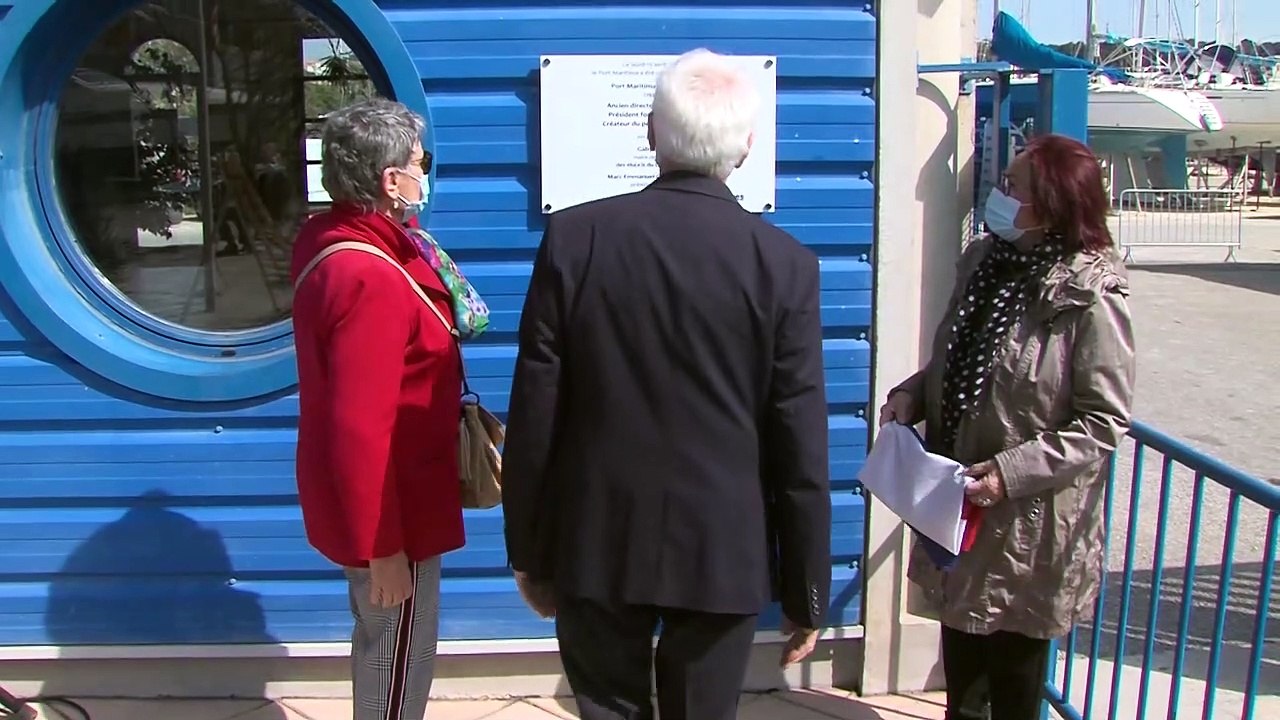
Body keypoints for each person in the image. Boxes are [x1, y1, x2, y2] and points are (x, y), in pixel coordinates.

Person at [502, 49, 833, 720]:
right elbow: (800, 444)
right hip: (722, 547)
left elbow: (537, 410)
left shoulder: (575, 238)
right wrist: (807, 593)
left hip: (596, 539)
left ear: (652, 133)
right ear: (744, 146)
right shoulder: (785, 266)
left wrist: (530, 554)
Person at [879, 134, 1136, 720]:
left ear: (1049, 205)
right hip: (961, 505)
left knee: (1014, 688)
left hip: (1029, 527)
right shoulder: (984, 262)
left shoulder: (1092, 295)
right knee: (962, 684)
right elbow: (958, 358)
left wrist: (1009, 472)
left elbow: (1103, 420)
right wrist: (911, 397)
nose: (999, 195)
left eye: (1012, 187)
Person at [290, 99, 464, 720]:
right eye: (421, 163)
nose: (426, 172)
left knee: (383, 646)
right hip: (396, 515)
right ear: (392, 181)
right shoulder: (369, 276)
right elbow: (361, 426)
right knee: (395, 659)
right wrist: (383, 546)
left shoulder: (349, 245)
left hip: (395, 502)